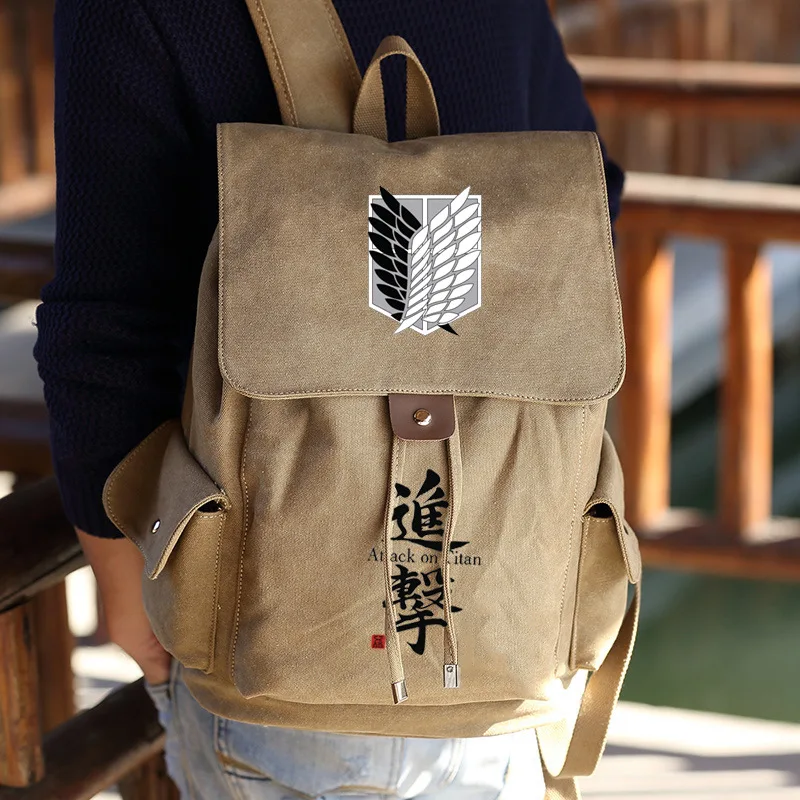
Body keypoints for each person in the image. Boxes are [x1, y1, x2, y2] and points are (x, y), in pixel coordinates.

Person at [35, 0, 624, 796]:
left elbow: (105, 327)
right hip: (512, 622)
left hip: (279, 625)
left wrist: (117, 563)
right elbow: (593, 195)